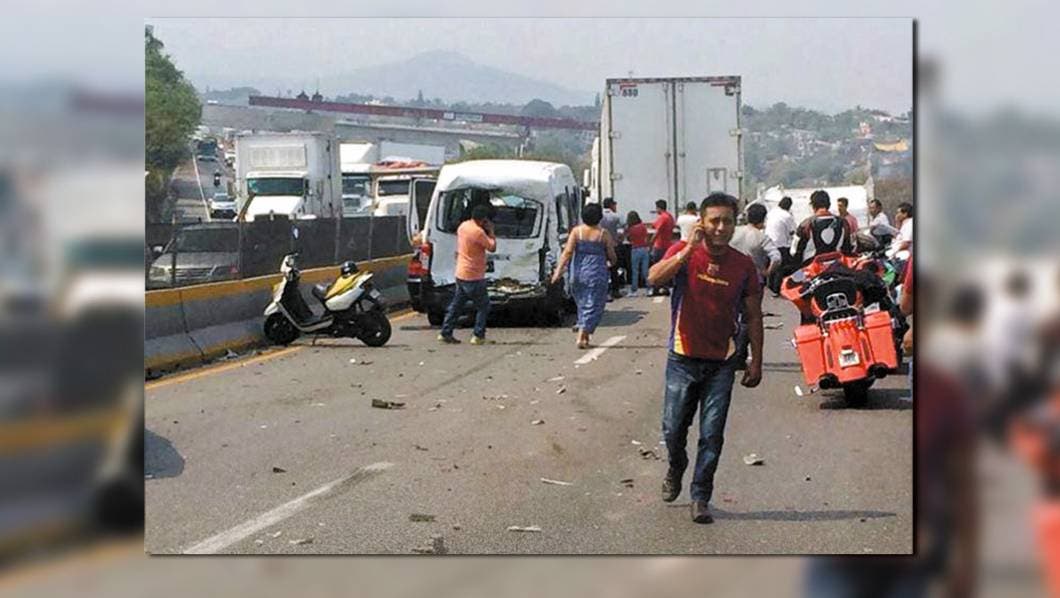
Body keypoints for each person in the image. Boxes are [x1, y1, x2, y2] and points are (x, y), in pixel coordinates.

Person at [647, 192, 763, 524]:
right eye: (714, 221)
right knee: (673, 429)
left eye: (727, 221)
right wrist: (687, 250)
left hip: (721, 362)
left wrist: (756, 360)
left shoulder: (743, 265)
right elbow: (653, 278)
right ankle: (676, 464)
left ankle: (700, 496)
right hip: (682, 358)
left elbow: (753, 315)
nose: (721, 228)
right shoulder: (684, 252)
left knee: (712, 433)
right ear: (702, 222)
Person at [551, 203, 617, 349]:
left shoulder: (576, 232)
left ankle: (585, 337)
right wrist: (611, 262)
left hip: (578, 272)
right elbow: (612, 255)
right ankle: (582, 333)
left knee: (582, 303)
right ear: (599, 217)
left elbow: (567, 252)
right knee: (594, 304)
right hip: (597, 273)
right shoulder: (603, 234)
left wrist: (558, 271)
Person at [438, 204, 496, 345]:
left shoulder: (463, 226)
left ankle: (445, 332)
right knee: (483, 306)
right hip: (474, 275)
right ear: (483, 220)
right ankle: (478, 335)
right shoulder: (478, 232)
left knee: (456, 305)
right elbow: (492, 247)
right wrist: (491, 231)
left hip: (461, 272)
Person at [793, 189, 855, 265]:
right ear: (829, 205)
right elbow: (848, 248)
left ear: (813, 206)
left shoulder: (806, 224)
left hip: (811, 267)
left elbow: (794, 251)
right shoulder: (843, 223)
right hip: (837, 265)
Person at [765, 196, 797, 295]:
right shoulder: (787, 216)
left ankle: (769, 287)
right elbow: (792, 231)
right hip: (781, 244)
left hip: (768, 242)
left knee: (772, 265)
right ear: (789, 206)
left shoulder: (771, 212)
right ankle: (776, 289)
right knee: (781, 268)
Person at [649, 199, 676, 296]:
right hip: (668, 245)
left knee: (657, 267)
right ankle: (665, 287)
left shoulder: (662, 217)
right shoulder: (670, 217)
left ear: (659, 208)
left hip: (660, 246)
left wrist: (651, 242)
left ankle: (656, 288)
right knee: (666, 267)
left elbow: (657, 231)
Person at [600, 198, 624, 300]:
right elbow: (621, 232)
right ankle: (615, 291)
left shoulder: (599, 216)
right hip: (613, 246)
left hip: (600, 246)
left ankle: (605, 292)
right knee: (614, 269)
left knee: (603, 269)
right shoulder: (616, 217)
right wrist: (619, 240)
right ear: (611, 205)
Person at [625, 211, 651, 296]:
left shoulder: (630, 228)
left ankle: (634, 290)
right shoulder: (642, 226)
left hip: (635, 249)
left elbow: (628, 238)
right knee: (645, 271)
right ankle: (649, 288)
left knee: (635, 271)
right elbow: (646, 237)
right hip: (644, 249)